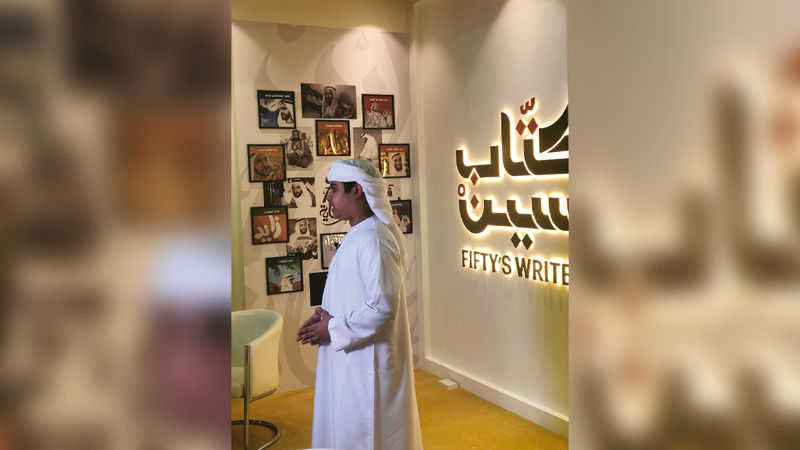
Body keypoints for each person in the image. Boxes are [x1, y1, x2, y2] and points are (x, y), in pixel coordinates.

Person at [296, 159, 422, 450]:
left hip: (367, 364)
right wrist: (325, 317)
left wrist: (333, 328)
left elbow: (383, 306)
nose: (328, 197)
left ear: (357, 191)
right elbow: (356, 293)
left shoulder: (374, 240)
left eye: (334, 189)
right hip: (351, 356)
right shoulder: (360, 233)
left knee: (365, 432)